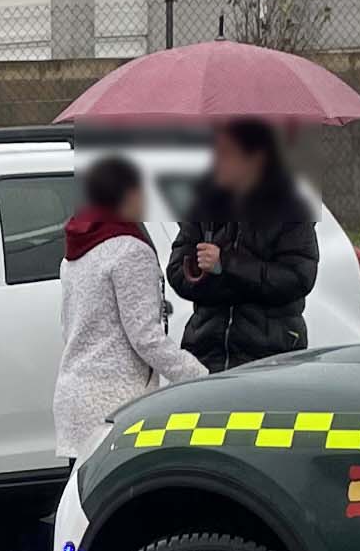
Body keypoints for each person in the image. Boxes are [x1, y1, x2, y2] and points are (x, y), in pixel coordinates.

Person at [55, 155, 204, 457]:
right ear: (127, 195)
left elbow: (69, 325)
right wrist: (199, 377)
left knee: (84, 501)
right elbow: (145, 337)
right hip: (117, 404)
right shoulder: (130, 250)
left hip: (75, 397)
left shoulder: (76, 250)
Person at [169, 118, 321, 370]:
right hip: (207, 354)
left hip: (269, 358)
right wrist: (204, 272)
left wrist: (227, 265)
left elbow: (297, 278)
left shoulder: (290, 210)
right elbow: (178, 272)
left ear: (256, 159)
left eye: (227, 154)